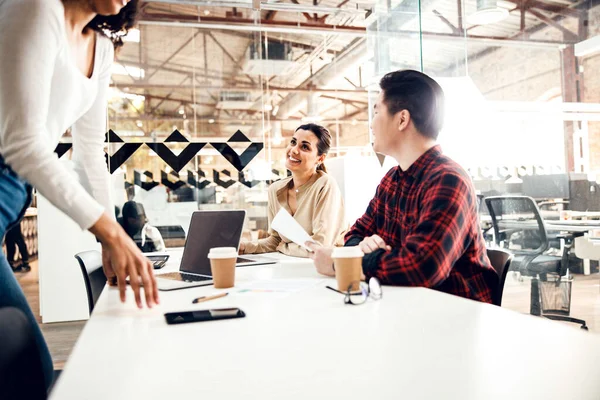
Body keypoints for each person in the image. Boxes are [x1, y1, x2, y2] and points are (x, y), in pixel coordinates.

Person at [0, 0, 159, 391]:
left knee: (24, 365)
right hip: (8, 172)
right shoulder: (37, 10)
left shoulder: (101, 45)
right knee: (28, 363)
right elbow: (21, 143)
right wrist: (110, 232)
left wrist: (108, 235)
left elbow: (90, 150)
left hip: (14, 192)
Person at [308, 70, 498, 303]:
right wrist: (364, 248)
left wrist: (342, 262)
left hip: (454, 314)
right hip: (405, 305)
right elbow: (355, 234)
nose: (371, 123)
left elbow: (423, 267)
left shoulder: (449, 179)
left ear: (402, 119)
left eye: (377, 111)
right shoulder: (392, 180)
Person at [240, 123, 346, 258]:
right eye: (293, 142)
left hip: (329, 267)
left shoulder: (325, 185)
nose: (294, 150)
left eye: (305, 147)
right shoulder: (275, 190)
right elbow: (276, 240)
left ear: (320, 158)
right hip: (291, 264)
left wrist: (283, 247)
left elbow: (320, 247)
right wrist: (244, 247)